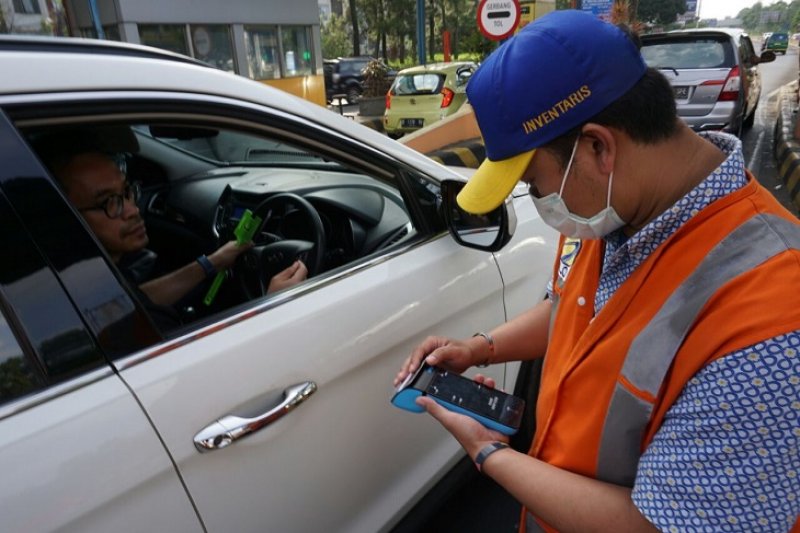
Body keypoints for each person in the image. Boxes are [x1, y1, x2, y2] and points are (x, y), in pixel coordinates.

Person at [394, 10, 800, 532]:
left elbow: (659, 526)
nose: (540, 199)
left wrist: (489, 454)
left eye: (534, 180)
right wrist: (480, 348)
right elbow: (569, 305)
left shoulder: (775, 322)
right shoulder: (614, 208)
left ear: (597, 147)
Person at [53, 150, 307, 331]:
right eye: (108, 202)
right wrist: (270, 308)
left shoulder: (86, 284)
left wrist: (213, 262)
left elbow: (134, 300)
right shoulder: (125, 330)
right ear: (68, 217)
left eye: (127, 192)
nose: (132, 209)